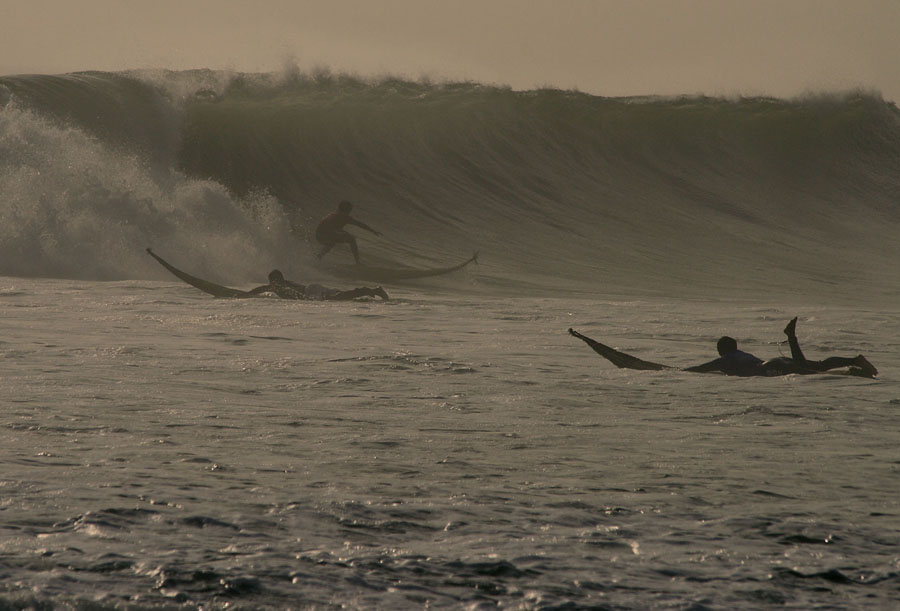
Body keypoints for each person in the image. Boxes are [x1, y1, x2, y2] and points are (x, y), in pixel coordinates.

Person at [783, 317, 877, 377]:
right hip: (780, 362)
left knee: (805, 370)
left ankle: (791, 337)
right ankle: (854, 361)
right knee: (819, 366)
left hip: (775, 365)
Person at [248, 270, 389, 301]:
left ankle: (367, 291)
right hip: (312, 288)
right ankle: (370, 292)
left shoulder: (277, 286)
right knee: (339, 296)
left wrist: (244, 295)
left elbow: (259, 289)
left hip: (310, 292)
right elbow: (260, 289)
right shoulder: (281, 284)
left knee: (336, 298)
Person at [315, 200, 381, 264]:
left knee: (334, 240)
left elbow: (360, 224)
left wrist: (373, 231)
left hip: (319, 236)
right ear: (348, 211)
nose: (349, 212)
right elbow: (359, 224)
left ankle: (319, 255)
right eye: (349, 210)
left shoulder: (332, 215)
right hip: (323, 235)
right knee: (351, 239)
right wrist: (373, 231)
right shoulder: (343, 217)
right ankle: (357, 262)